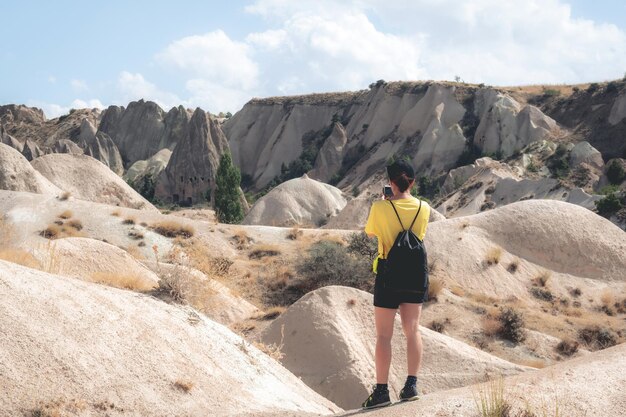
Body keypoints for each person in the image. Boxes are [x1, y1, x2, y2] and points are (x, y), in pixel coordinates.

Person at [361, 159, 430, 409]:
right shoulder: (424, 207)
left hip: (388, 274)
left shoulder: (380, 208)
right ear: (412, 181)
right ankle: (411, 385)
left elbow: (371, 233)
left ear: (390, 183)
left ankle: (381, 392)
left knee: (383, 335)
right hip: (414, 275)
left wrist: (386, 204)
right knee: (412, 330)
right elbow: (419, 234)